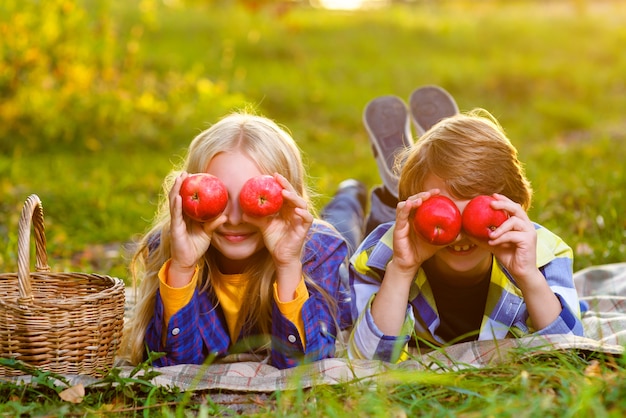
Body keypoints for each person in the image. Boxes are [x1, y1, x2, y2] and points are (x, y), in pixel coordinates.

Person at [347, 108, 584, 363]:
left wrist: (528, 276)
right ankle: (351, 192)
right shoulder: (382, 256)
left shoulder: (543, 254)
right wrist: (402, 270)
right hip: (407, 236)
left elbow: (570, 353)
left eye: (472, 212)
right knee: (345, 227)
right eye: (446, 210)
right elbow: (365, 362)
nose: (459, 236)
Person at [121, 112, 351, 369]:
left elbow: (306, 367)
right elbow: (169, 364)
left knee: (346, 219)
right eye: (219, 198)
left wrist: (287, 265)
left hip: (320, 237)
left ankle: (351, 192)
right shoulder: (170, 247)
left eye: (248, 199)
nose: (233, 218)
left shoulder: (319, 250)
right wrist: (183, 268)